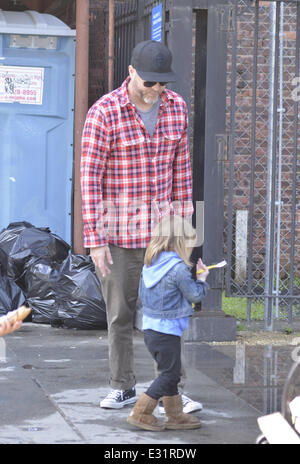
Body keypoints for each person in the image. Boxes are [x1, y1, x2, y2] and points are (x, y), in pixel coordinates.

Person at [81, 39, 202, 412]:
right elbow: (90, 179)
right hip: (117, 234)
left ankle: (171, 391)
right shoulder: (105, 112)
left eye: (162, 83)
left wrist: (184, 234)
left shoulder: (176, 108)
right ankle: (122, 386)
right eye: (149, 82)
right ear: (131, 72)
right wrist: (95, 241)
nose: (156, 90)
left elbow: (182, 174)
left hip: (162, 236)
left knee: (167, 314)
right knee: (120, 314)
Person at [127, 215, 209, 431]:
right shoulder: (178, 269)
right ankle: (141, 412)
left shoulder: (150, 265)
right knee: (170, 374)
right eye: (188, 243)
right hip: (168, 331)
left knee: (169, 373)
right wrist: (201, 280)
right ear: (179, 242)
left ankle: (175, 415)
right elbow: (194, 296)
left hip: (151, 329)